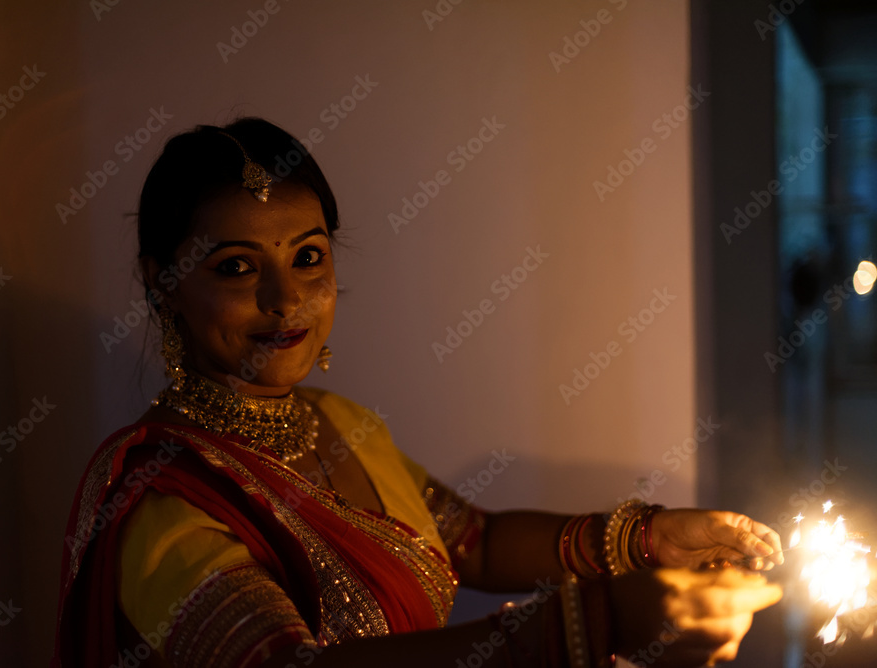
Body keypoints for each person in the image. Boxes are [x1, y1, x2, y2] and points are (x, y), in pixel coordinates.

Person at [52, 118, 784, 668]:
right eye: (237, 268)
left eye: (307, 258)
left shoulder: (340, 424)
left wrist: (645, 539)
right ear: (161, 281)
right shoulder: (163, 497)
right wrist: (590, 626)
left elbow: (474, 542)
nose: (287, 300)